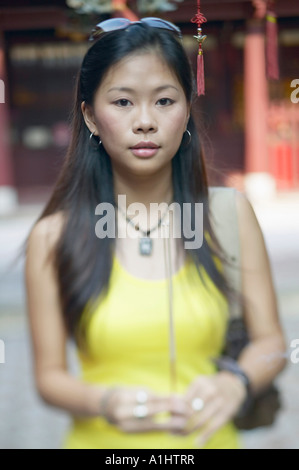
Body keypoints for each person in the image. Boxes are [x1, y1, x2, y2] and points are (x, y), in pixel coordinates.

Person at [25, 17, 286, 449]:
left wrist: (237, 381)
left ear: (186, 111)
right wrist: (105, 401)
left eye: (164, 101)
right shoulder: (53, 237)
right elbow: (49, 378)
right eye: (123, 102)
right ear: (91, 116)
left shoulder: (227, 215)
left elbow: (274, 344)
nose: (145, 121)